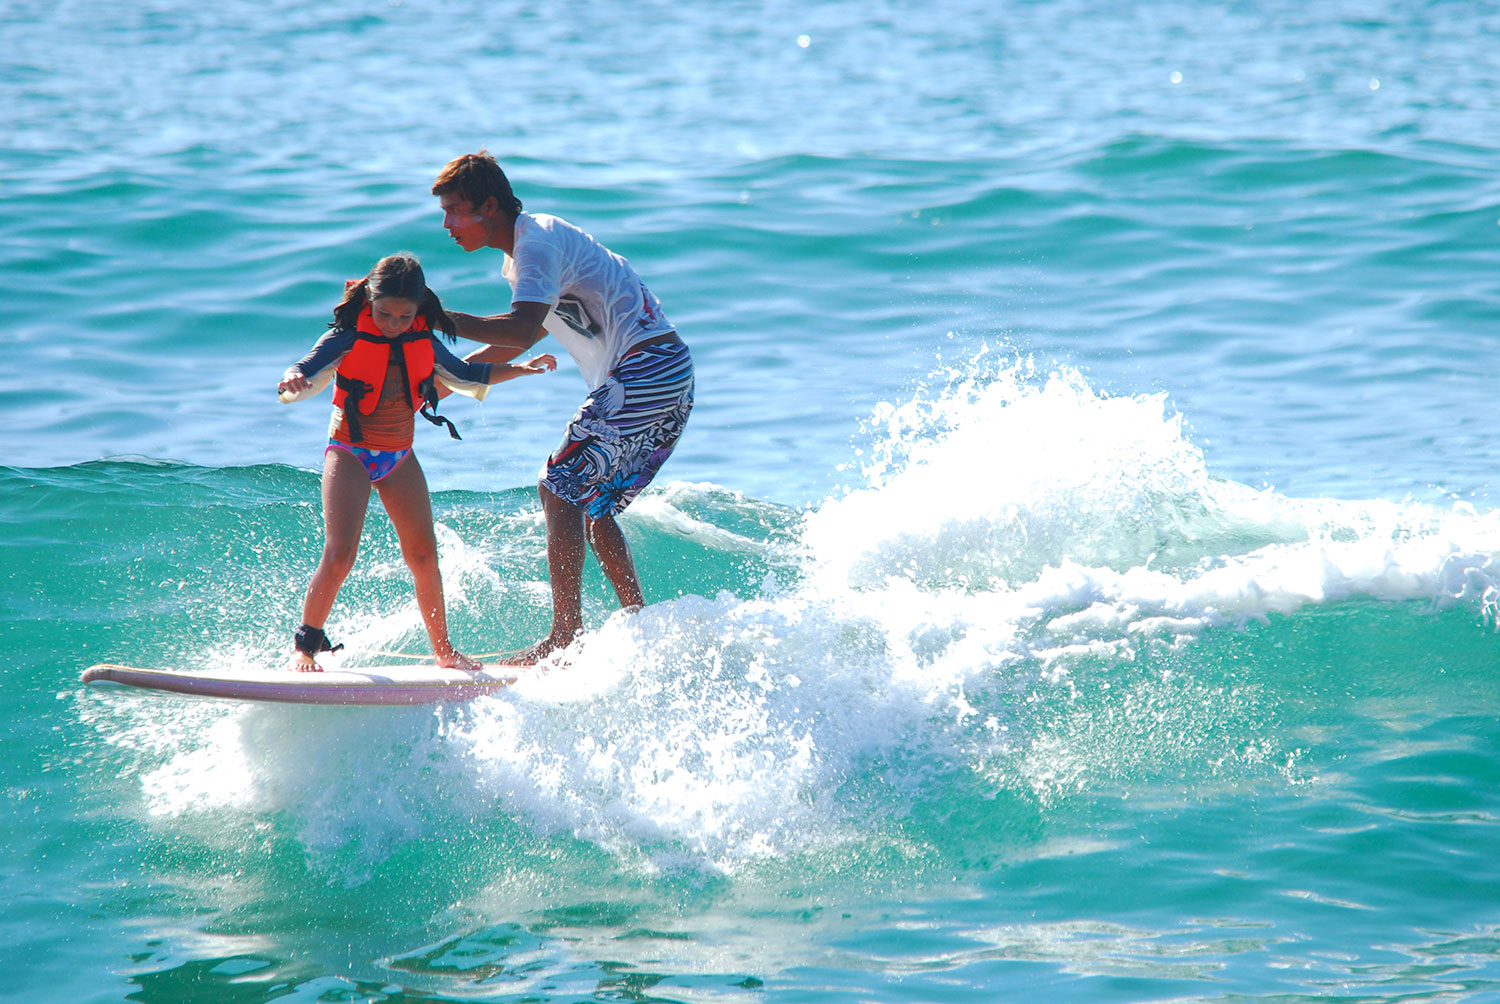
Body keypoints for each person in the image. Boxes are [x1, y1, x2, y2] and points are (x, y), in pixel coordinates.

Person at [431, 151, 694, 663]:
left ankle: (565, 637)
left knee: (557, 485)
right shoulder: (527, 256)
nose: (447, 225)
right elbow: (522, 338)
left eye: (456, 210)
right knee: (592, 506)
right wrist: (440, 385)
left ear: (490, 207)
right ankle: (639, 629)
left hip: (647, 368)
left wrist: (433, 316)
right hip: (670, 374)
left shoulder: (537, 242)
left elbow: (521, 328)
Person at [277, 252, 556, 672]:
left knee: (424, 556)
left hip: (398, 456)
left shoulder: (423, 339)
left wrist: (521, 368)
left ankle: (444, 650)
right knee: (340, 553)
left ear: (419, 310)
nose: (394, 324)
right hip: (350, 451)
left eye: (405, 316)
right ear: (369, 302)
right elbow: (306, 365)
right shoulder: (347, 336)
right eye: (385, 314)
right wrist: (293, 377)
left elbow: (466, 375)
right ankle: (304, 647)